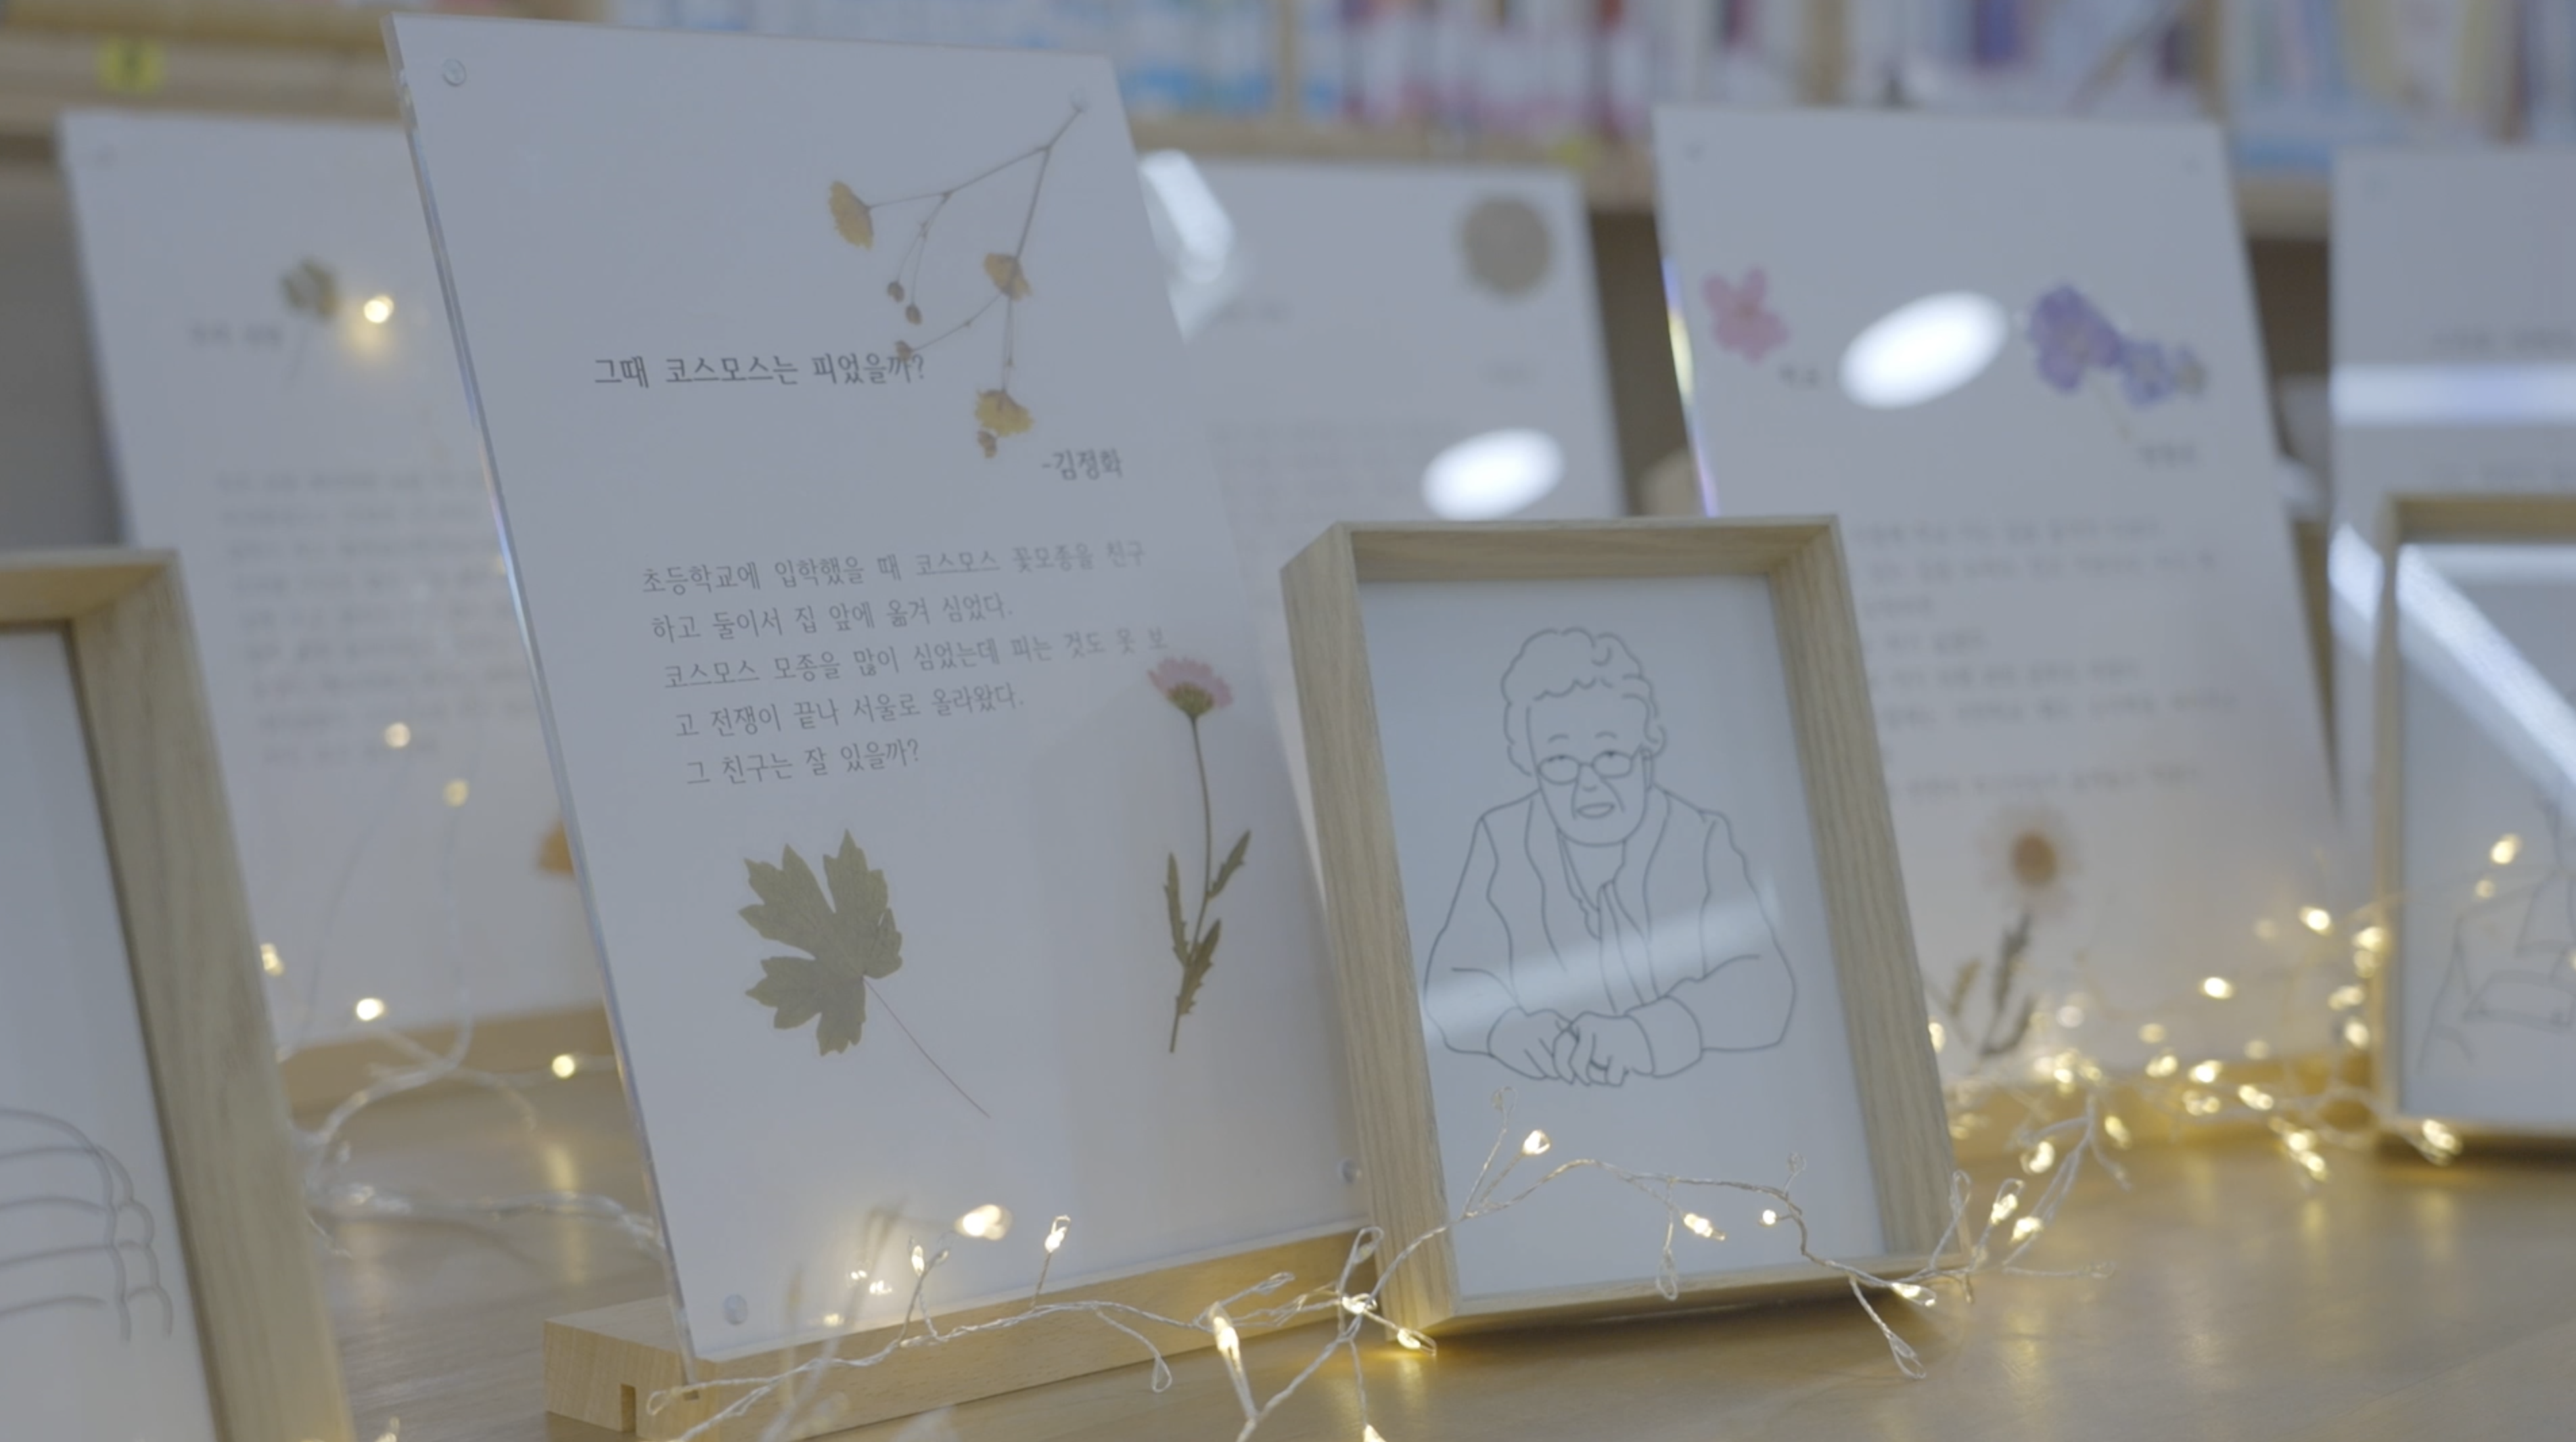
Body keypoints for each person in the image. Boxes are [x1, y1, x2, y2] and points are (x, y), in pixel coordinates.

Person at [1423, 628, 1794, 1085]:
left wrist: (1649, 1035)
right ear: (1530, 762)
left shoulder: (1700, 838)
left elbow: (1766, 984)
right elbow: (1451, 978)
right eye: (1560, 761)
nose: (1589, 782)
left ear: (1647, 752)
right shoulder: (1503, 839)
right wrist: (1504, 1027)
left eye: (1611, 754)